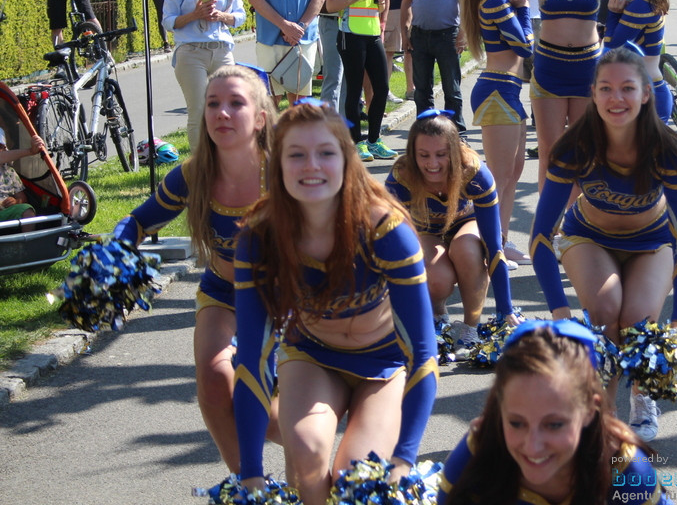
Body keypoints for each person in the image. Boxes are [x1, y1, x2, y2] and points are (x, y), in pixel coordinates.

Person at [233, 101, 438, 504]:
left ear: (347, 159)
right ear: (277, 166)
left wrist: (404, 458)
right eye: (296, 155)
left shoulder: (385, 228)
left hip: (383, 364)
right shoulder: (258, 238)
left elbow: (424, 353)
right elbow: (253, 358)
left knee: (355, 479)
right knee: (308, 454)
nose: (312, 166)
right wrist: (251, 473)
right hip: (312, 357)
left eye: (326, 153)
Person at [111, 65, 278, 473]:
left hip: (281, 296)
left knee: (271, 408)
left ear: (260, 117)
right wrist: (113, 256)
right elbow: (138, 222)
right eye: (213, 103)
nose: (222, 113)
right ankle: (246, 485)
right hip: (222, 292)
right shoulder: (193, 174)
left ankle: (318, 458)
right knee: (212, 380)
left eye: (236, 103)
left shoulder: (283, 172)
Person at [529, 47, 677, 442]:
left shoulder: (667, 149)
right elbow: (539, 235)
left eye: (627, 88)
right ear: (592, 93)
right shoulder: (574, 146)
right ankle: (602, 411)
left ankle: (642, 397)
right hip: (589, 238)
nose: (615, 98)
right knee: (605, 311)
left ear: (645, 94)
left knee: (639, 321)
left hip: (651, 242)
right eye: (605, 88)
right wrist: (559, 311)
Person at [439, 320, 672, 505]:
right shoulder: (478, 451)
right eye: (516, 423)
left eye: (554, 424)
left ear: (590, 410)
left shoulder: (625, 468)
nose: (533, 446)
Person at [385, 111, 519, 351]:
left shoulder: (474, 172)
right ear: (412, 154)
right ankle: (437, 317)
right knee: (436, 279)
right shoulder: (400, 178)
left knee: (466, 249)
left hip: (468, 225)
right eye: (423, 155)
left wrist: (505, 310)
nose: (432, 164)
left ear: (454, 153)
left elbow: (493, 246)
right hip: (427, 231)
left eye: (441, 155)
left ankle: (470, 328)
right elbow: (394, 248)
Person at [525, 0, 610, 195]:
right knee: (550, 149)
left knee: (583, 149)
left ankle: (576, 223)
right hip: (550, 67)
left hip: (588, 68)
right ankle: (549, 226)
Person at [459, 0, 534, 257]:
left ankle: (501, 239)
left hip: (509, 91)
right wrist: (524, 6)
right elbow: (525, 45)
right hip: (497, 92)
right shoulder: (495, 0)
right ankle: (491, 247)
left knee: (513, 174)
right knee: (498, 179)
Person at [163, 0, 246, 146]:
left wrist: (220, 16)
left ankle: (226, 162)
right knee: (200, 111)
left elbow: (241, 17)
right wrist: (195, 14)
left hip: (222, 51)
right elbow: (168, 21)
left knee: (227, 109)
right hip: (191, 52)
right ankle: (201, 170)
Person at [324, 0, 398, 162]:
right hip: (350, 35)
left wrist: (382, 1)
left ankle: (374, 140)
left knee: (382, 88)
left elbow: (381, 8)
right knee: (354, 90)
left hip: (372, 33)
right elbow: (330, 5)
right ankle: (356, 142)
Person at [402, 0, 467, 132]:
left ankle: (456, 132)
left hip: (448, 35)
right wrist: (405, 32)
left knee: (452, 89)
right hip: (420, 36)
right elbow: (406, 3)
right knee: (422, 90)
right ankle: (425, 131)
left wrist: (464, 33)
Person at [604, 0, 672, 123]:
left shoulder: (640, 6)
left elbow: (612, 49)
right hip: (647, 91)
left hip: (647, 97)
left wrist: (613, 13)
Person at [0, 129, 46, 232]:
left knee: (27, 210)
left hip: (5, 212)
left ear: (4, 149)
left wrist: (16, 201)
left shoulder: (10, 172)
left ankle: (26, 244)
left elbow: (22, 198)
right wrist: (30, 151)